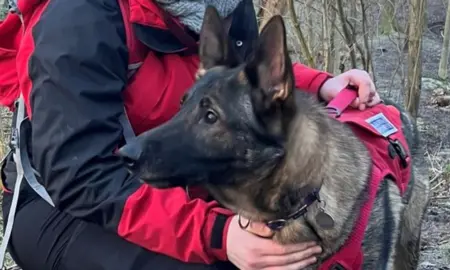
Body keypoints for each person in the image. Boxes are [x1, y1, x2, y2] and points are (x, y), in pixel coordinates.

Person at [0, 0, 380, 269]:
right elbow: (80, 176)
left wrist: (322, 84)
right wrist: (218, 236)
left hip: (176, 188)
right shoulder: (80, 18)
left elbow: (240, 77)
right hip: (66, 206)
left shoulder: (225, 6)